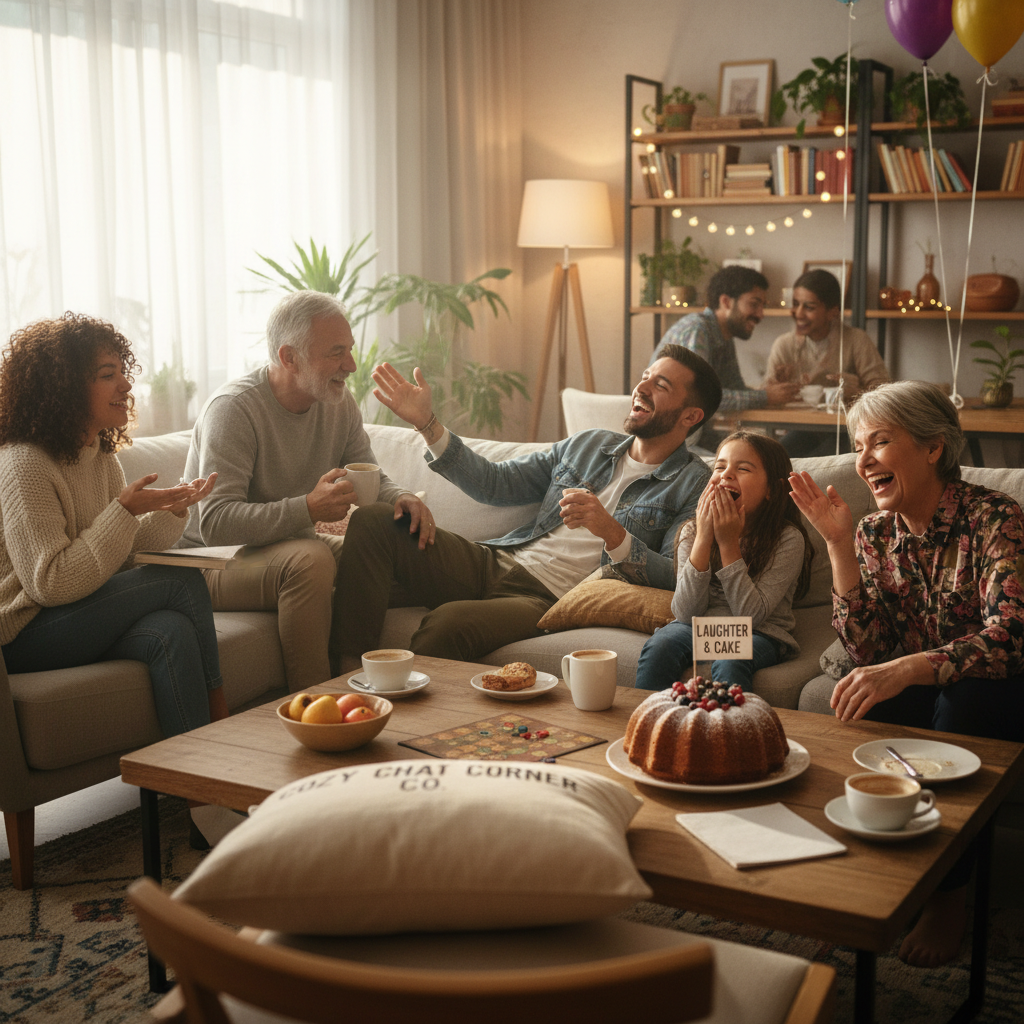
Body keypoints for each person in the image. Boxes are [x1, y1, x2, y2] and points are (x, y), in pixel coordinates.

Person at [788, 379, 1024, 969]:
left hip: (997, 688)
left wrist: (912, 668)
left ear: (933, 448)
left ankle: (949, 896)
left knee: (963, 704)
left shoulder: (996, 518)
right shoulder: (872, 533)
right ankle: (877, 878)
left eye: (879, 442)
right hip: (927, 686)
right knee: (866, 698)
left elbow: (1011, 637)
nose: (862, 460)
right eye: (858, 445)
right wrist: (839, 545)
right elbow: (870, 651)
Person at [333, 343, 722, 666]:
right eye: (644, 377)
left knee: (449, 623)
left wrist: (612, 533)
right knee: (374, 521)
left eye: (661, 384)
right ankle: (343, 681)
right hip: (496, 560)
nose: (642, 387)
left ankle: (407, 725)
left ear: (690, 415)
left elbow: (680, 575)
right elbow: (494, 484)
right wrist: (427, 424)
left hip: (546, 598)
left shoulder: (694, 484)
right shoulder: (587, 445)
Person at [181, 291, 428, 691]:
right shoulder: (234, 410)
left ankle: (365, 677)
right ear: (289, 357)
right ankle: (316, 705)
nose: (350, 366)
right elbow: (216, 524)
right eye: (336, 353)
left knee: (385, 549)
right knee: (310, 559)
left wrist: (402, 497)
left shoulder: (338, 402)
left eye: (349, 350)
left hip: (282, 546)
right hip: (211, 563)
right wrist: (307, 509)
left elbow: (368, 474)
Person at [0, 313, 224, 738]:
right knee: (180, 582)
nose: (126, 385)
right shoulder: (24, 463)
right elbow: (49, 582)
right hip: (23, 631)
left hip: (72, 613)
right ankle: (223, 725)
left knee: (169, 632)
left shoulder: (99, 456)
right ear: (65, 387)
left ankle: (195, 791)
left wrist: (171, 509)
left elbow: (118, 558)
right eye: (109, 375)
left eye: (124, 373)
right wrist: (122, 512)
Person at [635, 431, 811, 691]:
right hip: (698, 627)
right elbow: (684, 613)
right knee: (660, 645)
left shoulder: (788, 539)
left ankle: (730, 729)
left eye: (743, 469)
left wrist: (729, 544)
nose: (726, 474)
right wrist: (704, 538)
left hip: (758, 633)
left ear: (771, 490)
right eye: (720, 466)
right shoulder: (691, 532)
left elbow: (751, 617)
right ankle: (649, 724)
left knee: (731, 657)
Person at [765, 268, 889, 457]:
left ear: (833, 312)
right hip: (801, 429)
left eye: (809, 307)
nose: (798, 313)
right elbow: (766, 394)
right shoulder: (784, 344)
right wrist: (777, 386)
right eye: (796, 304)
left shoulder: (856, 340)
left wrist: (854, 392)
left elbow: (884, 393)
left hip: (846, 432)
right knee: (776, 458)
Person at [652, 265, 800, 416]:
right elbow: (700, 397)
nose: (760, 314)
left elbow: (735, 389)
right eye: (754, 304)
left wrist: (771, 391)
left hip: (695, 431)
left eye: (762, 306)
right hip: (669, 435)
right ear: (726, 302)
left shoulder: (723, 335)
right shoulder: (698, 330)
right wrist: (765, 396)